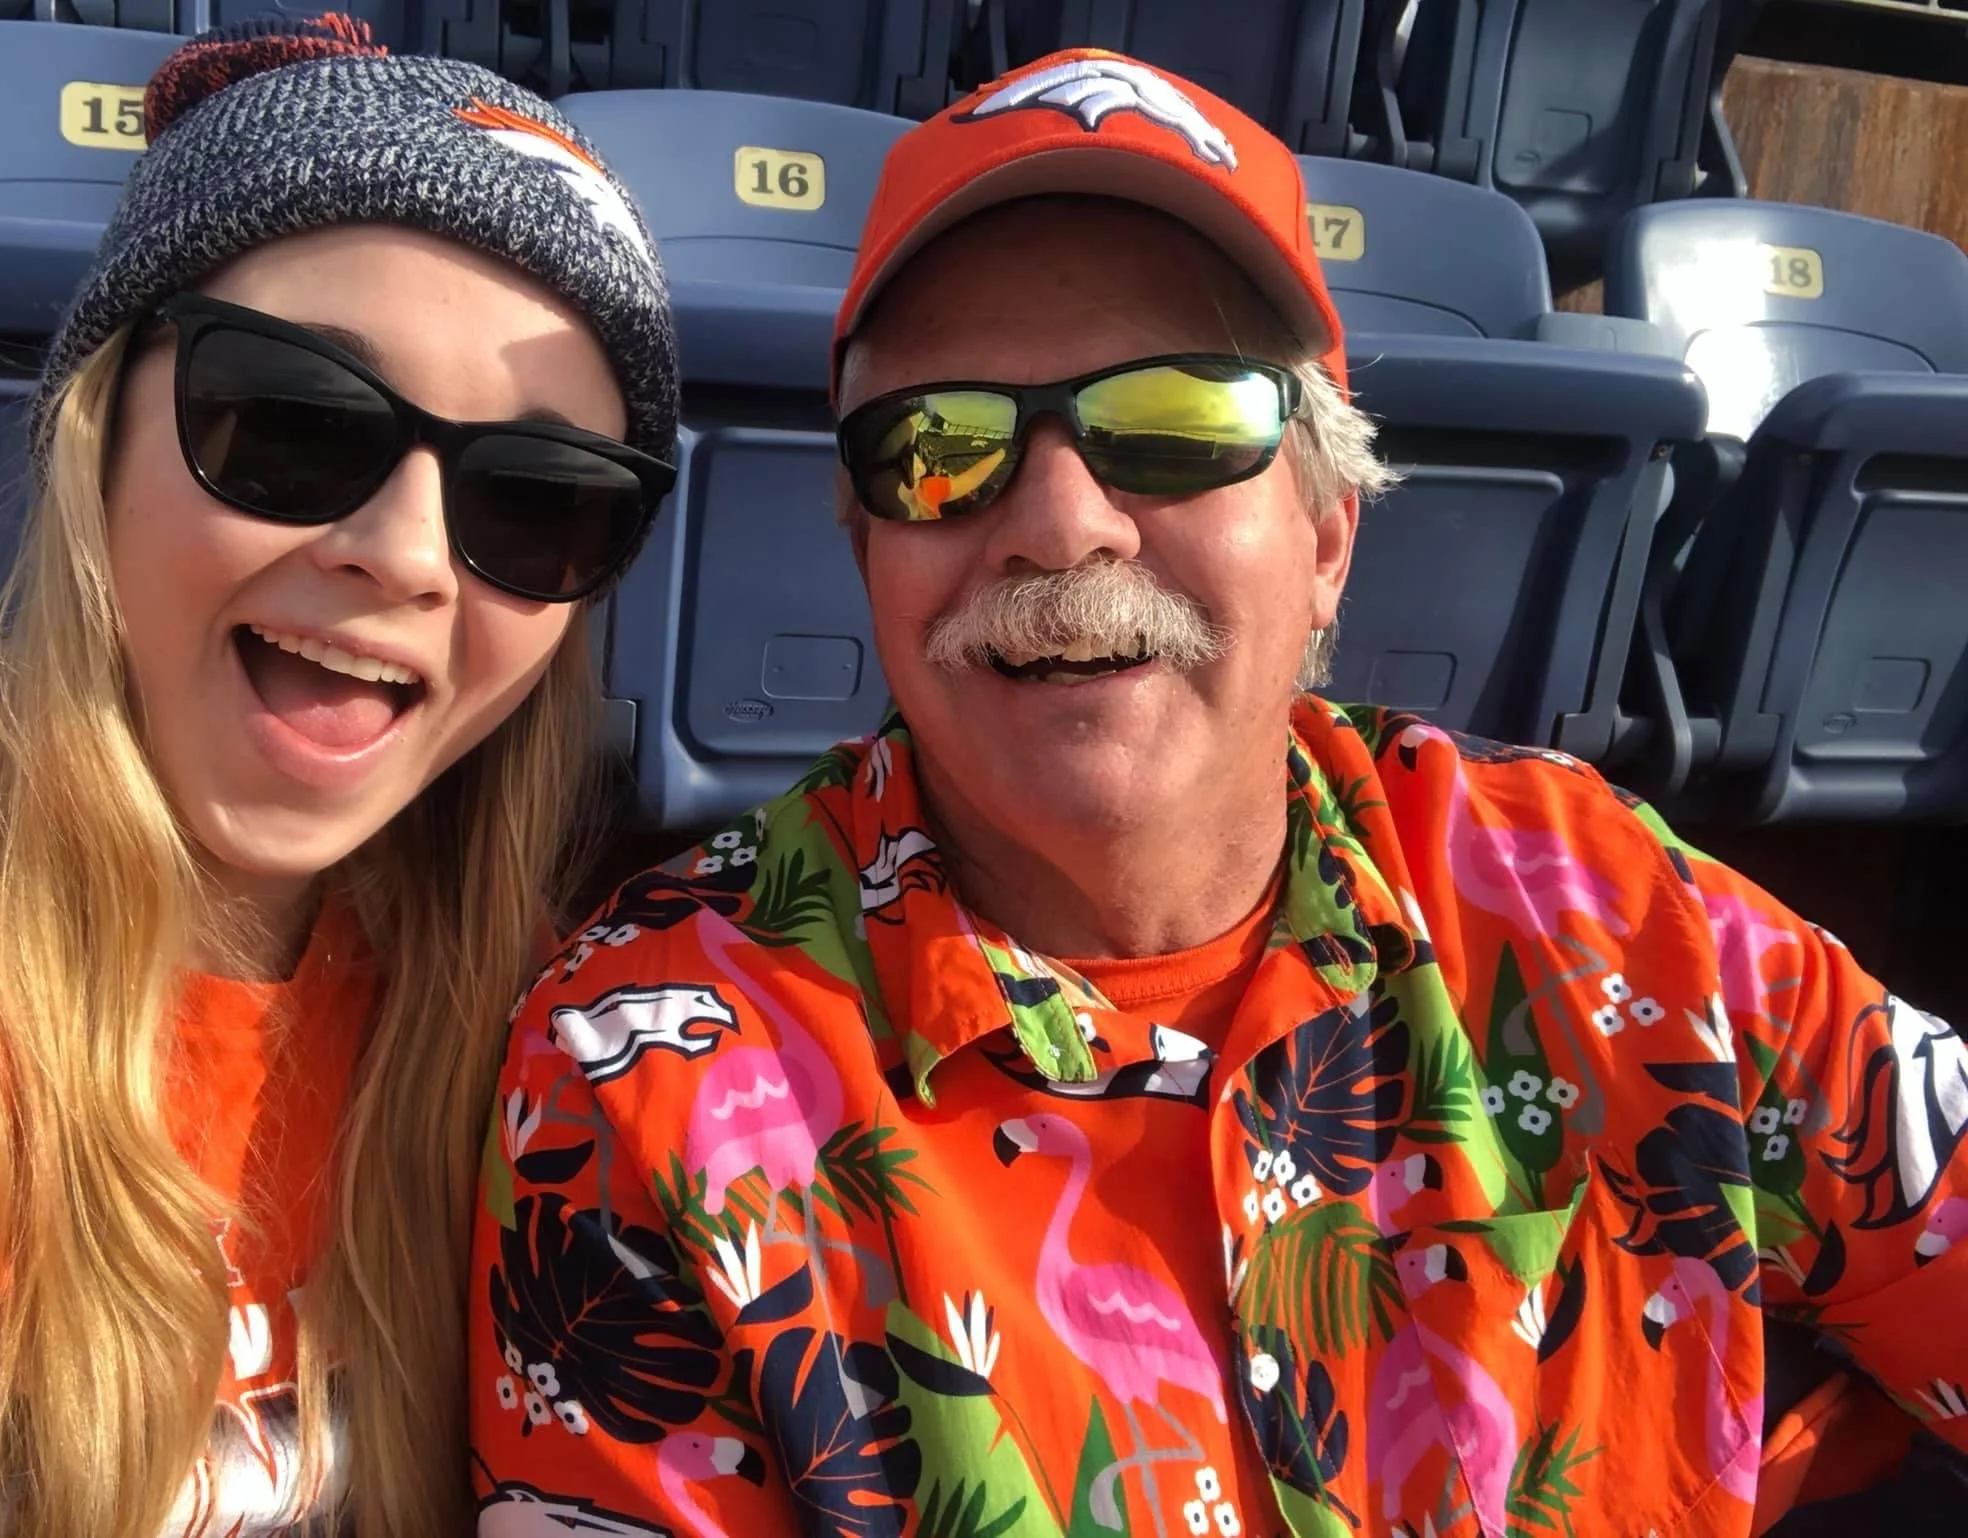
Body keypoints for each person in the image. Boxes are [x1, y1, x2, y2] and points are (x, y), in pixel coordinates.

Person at [468, 48, 1968, 1538]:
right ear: (868, 552)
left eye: (1176, 421)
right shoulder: (642, 1068)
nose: (1057, 525)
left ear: (1326, 534)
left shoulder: (1591, 897)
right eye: (942, 449)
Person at [0, 16, 679, 1538]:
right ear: (100, 431)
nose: (400, 556)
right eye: (294, 422)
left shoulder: (536, 1050)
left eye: (535, 503)